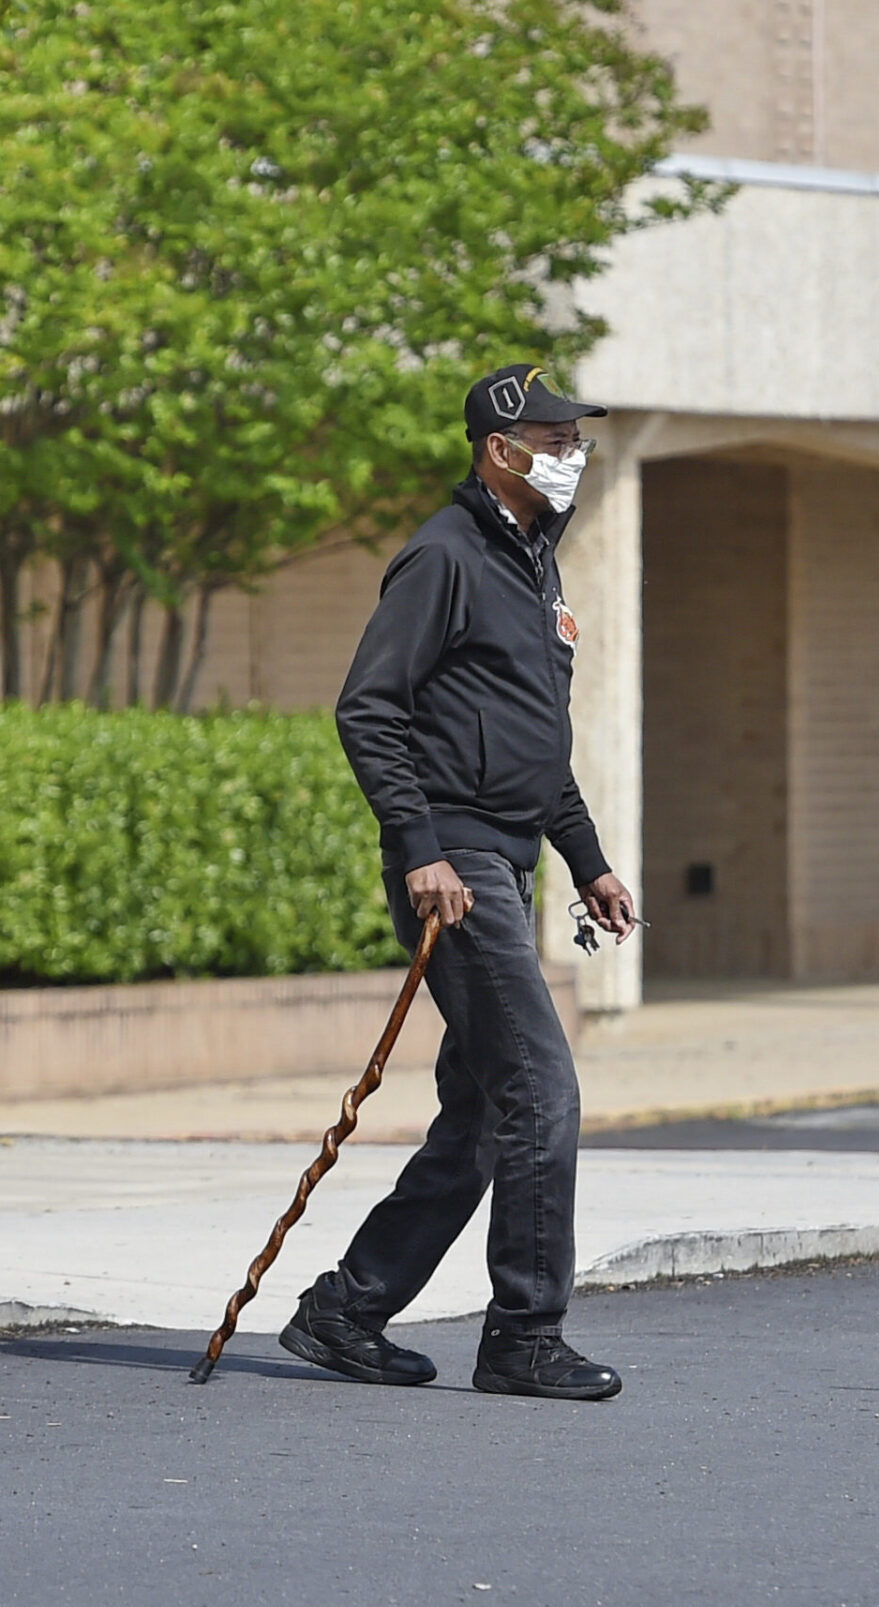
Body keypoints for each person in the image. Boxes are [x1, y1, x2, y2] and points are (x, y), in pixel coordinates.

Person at [284, 363, 639, 1401]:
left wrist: (588, 859)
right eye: (558, 440)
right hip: (456, 867)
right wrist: (421, 849)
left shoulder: (530, 559)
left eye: (577, 440)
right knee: (541, 1093)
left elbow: (534, 746)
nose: (573, 456)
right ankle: (524, 1337)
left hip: (506, 860)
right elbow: (369, 711)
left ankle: (346, 1312)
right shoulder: (441, 557)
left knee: (488, 1111)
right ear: (501, 448)